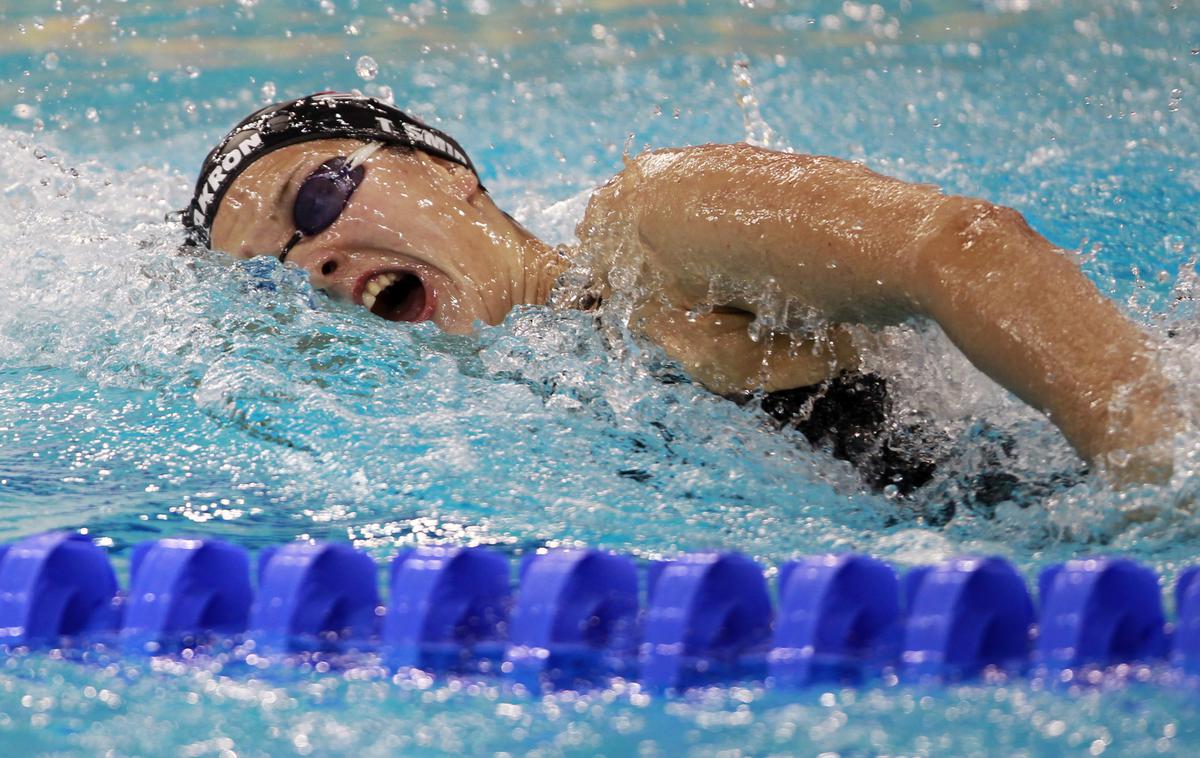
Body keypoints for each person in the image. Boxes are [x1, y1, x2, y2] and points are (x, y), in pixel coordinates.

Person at [182, 92, 1180, 495]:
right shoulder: (497, 422)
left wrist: (1152, 488)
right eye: (274, 275)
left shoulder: (651, 231)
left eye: (313, 196)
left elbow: (964, 249)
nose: (308, 261)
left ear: (445, 171)